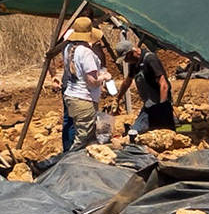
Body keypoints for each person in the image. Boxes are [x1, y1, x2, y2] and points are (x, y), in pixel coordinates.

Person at [59, 15, 113, 151]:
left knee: (80, 132)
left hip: (71, 96)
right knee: (82, 139)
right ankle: (66, 162)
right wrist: (105, 76)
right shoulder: (86, 53)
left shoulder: (68, 49)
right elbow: (92, 81)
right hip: (84, 99)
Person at [124, 37, 174, 132]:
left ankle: (184, 129)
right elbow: (127, 81)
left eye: (126, 58)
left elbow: (164, 85)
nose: (125, 61)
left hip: (159, 104)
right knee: (135, 131)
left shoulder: (150, 60)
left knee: (164, 131)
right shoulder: (134, 63)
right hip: (149, 105)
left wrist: (161, 107)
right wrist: (117, 99)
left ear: (133, 52)